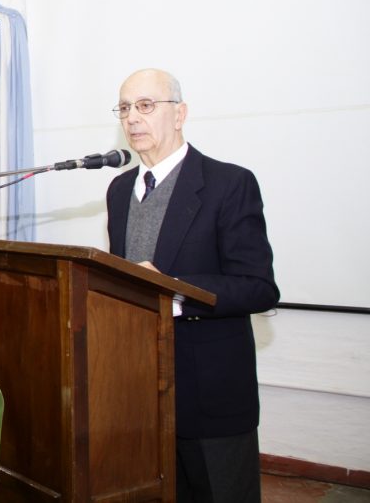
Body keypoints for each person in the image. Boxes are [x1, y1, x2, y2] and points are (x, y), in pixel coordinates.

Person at [105, 68, 278, 503]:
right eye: (125, 108)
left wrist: (173, 290)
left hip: (210, 391)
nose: (132, 119)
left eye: (146, 106)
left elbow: (258, 286)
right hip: (139, 390)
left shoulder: (229, 184)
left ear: (179, 114)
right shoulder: (119, 188)